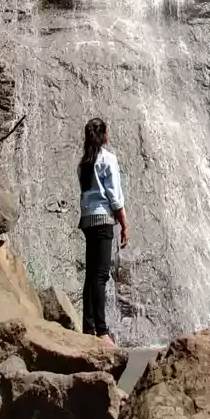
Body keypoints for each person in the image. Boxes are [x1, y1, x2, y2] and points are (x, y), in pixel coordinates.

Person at [78, 116, 128, 342]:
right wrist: (124, 225)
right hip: (103, 219)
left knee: (91, 275)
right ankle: (102, 330)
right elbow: (114, 196)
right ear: (103, 136)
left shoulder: (84, 163)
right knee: (100, 276)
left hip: (88, 219)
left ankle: (87, 327)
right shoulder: (108, 159)